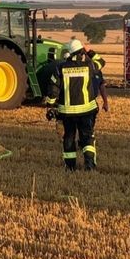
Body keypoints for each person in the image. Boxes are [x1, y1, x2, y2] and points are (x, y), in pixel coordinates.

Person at [45, 39, 108, 171]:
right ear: (81, 52)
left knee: (69, 138)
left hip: (67, 113)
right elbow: (101, 62)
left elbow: (53, 89)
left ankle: (70, 167)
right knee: (87, 139)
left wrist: (50, 107)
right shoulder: (88, 67)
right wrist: (89, 51)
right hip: (86, 112)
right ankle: (89, 165)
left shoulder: (60, 68)